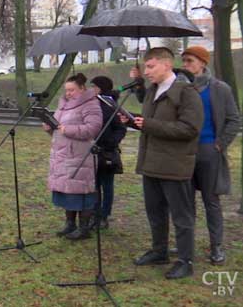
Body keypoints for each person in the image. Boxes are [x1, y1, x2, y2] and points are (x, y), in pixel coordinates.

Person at [121, 47, 203, 280]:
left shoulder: (186, 92)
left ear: (166, 65)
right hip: (151, 163)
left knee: (181, 216)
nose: (146, 71)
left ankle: (185, 261)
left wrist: (148, 125)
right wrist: (131, 122)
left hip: (175, 165)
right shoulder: (152, 91)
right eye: (146, 67)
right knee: (155, 212)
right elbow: (149, 124)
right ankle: (159, 252)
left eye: (151, 66)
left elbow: (190, 129)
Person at [179, 46, 239, 265]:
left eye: (190, 61)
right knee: (185, 202)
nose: (186, 65)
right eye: (184, 61)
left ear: (203, 63)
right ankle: (186, 245)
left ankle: (217, 247)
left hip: (209, 151)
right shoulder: (180, 88)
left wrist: (220, 145)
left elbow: (234, 120)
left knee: (211, 201)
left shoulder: (219, 88)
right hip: (184, 152)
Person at [45, 73, 103, 240]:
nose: (68, 94)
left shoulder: (91, 104)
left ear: (82, 88)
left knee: (81, 191)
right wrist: (48, 126)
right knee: (66, 190)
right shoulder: (63, 104)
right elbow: (58, 124)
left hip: (80, 155)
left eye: (72, 90)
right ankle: (70, 224)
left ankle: (84, 228)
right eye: (66, 90)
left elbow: (92, 129)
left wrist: (67, 130)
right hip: (62, 154)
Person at [89, 76, 127, 229]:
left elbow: (121, 129)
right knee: (94, 185)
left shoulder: (111, 106)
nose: (92, 89)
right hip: (91, 150)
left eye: (94, 86)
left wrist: (110, 143)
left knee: (107, 185)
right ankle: (95, 214)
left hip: (107, 152)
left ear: (101, 88)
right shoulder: (91, 104)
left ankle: (104, 216)